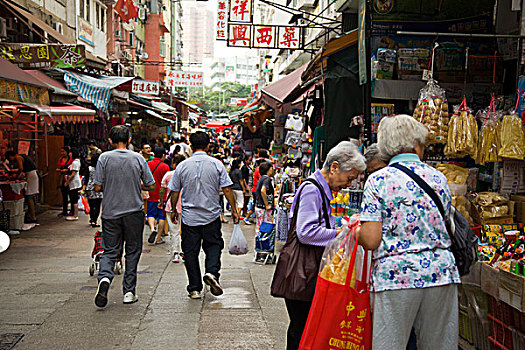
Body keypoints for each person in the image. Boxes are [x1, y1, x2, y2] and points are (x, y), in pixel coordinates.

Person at [359, 115, 460, 350]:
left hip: (396, 276)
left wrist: (356, 232)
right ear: (415, 144)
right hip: (440, 272)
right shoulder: (438, 178)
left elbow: (371, 240)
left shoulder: (378, 180)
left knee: (390, 344)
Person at [281, 141, 366, 350]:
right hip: (303, 273)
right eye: (349, 178)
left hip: (308, 272)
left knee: (304, 329)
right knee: (301, 331)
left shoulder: (322, 189)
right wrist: (343, 233)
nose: (348, 185)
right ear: (335, 167)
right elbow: (306, 232)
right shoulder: (313, 190)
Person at [168, 131, 239, 300]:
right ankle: (212, 273)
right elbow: (227, 189)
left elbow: (175, 191)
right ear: (209, 146)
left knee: (190, 252)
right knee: (213, 246)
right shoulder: (216, 164)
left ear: (190, 146)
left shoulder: (182, 166)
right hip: (211, 216)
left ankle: (194, 288)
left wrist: (173, 211)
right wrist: (234, 209)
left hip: (189, 218)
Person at [93, 125, 155, 308]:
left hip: (110, 212)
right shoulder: (138, 158)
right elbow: (150, 185)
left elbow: (97, 187)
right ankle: (129, 291)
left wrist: (112, 185)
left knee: (110, 250)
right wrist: (136, 185)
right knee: (133, 251)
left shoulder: (104, 158)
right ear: (129, 140)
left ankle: (104, 278)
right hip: (134, 212)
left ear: (110, 141)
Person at [159, 154, 186, 263]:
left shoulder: (169, 174)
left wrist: (161, 201)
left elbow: (162, 189)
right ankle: (185, 251)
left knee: (174, 231)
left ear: (174, 163)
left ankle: (176, 253)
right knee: (186, 230)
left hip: (171, 206)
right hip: (186, 206)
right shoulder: (187, 174)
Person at [4, 151, 40, 223]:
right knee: (31, 195)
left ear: (11, 156)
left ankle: (33, 217)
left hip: (31, 175)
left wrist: (16, 177)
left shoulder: (18, 157)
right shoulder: (21, 156)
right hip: (32, 174)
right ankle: (31, 215)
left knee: (29, 196)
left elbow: (20, 168)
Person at [146, 147, 170, 245]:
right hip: (162, 195)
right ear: (163, 155)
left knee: (150, 214)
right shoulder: (165, 167)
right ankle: (159, 237)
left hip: (151, 193)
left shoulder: (148, 164)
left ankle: (152, 229)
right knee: (161, 216)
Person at [254, 161, 275, 233]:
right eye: (272, 168)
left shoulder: (262, 178)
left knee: (259, 226)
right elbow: (263, 191)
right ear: (268, 170)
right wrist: (267, 205)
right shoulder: (267, 179)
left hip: (259, 206)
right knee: (265, 227)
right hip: (263, 208)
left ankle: (258, 242)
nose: (273, 170)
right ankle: (262, 242)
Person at [84, 153, 103, 228]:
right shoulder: (101, 169)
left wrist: (84, 187)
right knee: (97, 205)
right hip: (99, 188)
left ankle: (92, 218)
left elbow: (86, 179)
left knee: (91, 205)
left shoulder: (89, 168)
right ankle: (95, 220)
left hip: (90, 188)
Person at [64, 148, 82, 221]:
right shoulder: (75, 162)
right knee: (73, 199)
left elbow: (73, 174)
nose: (69, 154)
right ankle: (74, 214)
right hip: (74, 183)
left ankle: (75, 215)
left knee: (74, 199)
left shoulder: (75, 162)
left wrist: (67, 182)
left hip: (74, 183)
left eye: (70, 153)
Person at [56, 146, 72, 217]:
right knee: (64, 195)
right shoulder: (61, 159)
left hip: (69, 178)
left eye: (63, 151)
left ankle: (72, 210)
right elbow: (59, 167)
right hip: (62, 178)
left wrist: (66, 170)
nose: (62, 153)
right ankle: (64, 210)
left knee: (71, 195)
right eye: (61, 151)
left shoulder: (71, 160)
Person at [241, 153, 253, 222]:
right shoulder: (244, 168)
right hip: (247, 185)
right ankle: (244, 212)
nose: (250, 162)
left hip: (250, 184)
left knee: (248, 199)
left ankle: (245, 211)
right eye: (249, 160)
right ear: (245, 160)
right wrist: (246, 186)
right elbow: (244, 178)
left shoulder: (250, 167)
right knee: (245, 199)